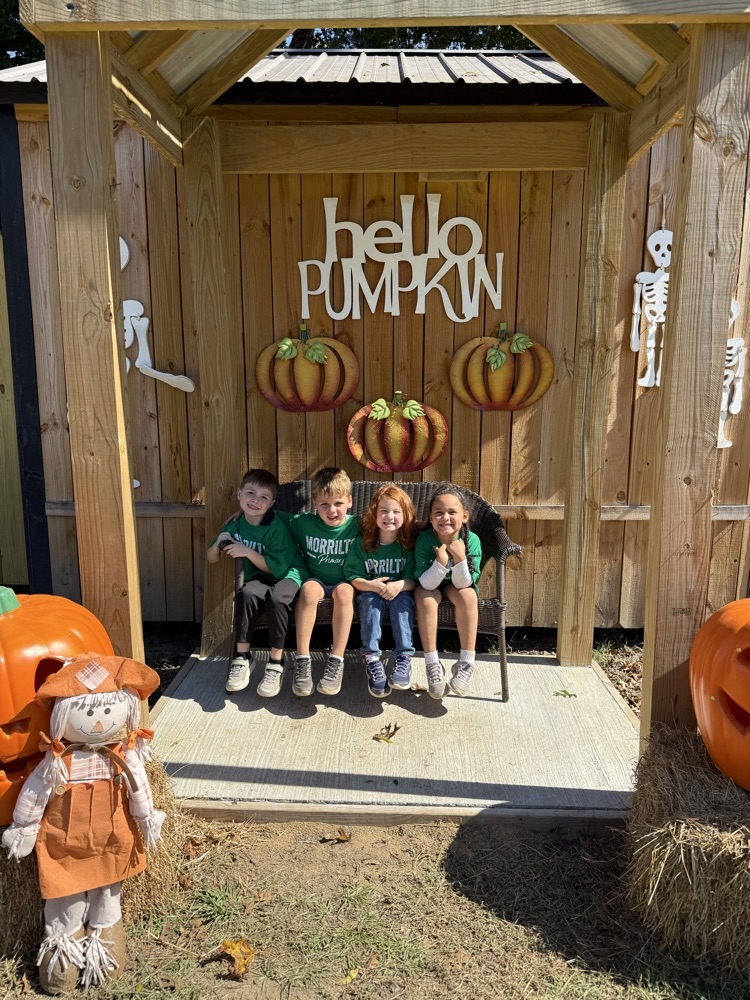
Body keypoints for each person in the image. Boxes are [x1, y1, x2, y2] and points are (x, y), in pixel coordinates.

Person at [208, 469, 307, 697]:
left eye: (264, 497)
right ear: (240, 494)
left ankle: (276, 662)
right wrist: (219, 543)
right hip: (260, 576)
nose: (256, 500)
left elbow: (277, 569)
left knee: (277, 598)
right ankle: (243, 658)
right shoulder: (235, 525)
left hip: (288, 572)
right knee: (247, 593)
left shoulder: (276, 528)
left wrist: (246, 551)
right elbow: (212, 558)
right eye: (250, 493)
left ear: (271, 503)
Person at [276, 468, 359, 697]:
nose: (332, 511)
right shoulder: (303, 523)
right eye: (324, 505)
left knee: (344, 593)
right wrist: (241, 516)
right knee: (309, 590)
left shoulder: (359, 525)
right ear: (314, 504)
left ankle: (336, 660)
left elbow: (394, 524)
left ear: (350, 502)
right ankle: (302, 661)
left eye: (338, 503)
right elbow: (270, 516)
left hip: (345, 582)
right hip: (317, 579)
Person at [344, 485, 418, 698]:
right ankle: (372, 659)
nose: (389, 516)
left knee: (402, 602)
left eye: (396, 512)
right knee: (369, 601)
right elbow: (353, 577)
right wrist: (371, 585)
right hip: (370, 592)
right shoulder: (363, 544)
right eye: (384, 511)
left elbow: (413, 579)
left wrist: (399, 585)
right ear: (374, 514)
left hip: (400, 592)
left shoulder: (407, 546)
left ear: (406, 515)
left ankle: (404, 658)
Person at [414, 484, 481, 699]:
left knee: (469, 595)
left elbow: (463, 584)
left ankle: (466, 663)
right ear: (431, 518)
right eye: (439, 513)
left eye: (452, 512)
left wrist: (460, 558)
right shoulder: (425, 541)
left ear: (465, 516)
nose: (446, 517)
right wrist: (442, 562)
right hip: (430, 585)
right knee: (424, 598)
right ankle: (433, 664)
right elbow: (427, 585)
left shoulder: (471, 541)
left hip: (457, 584)